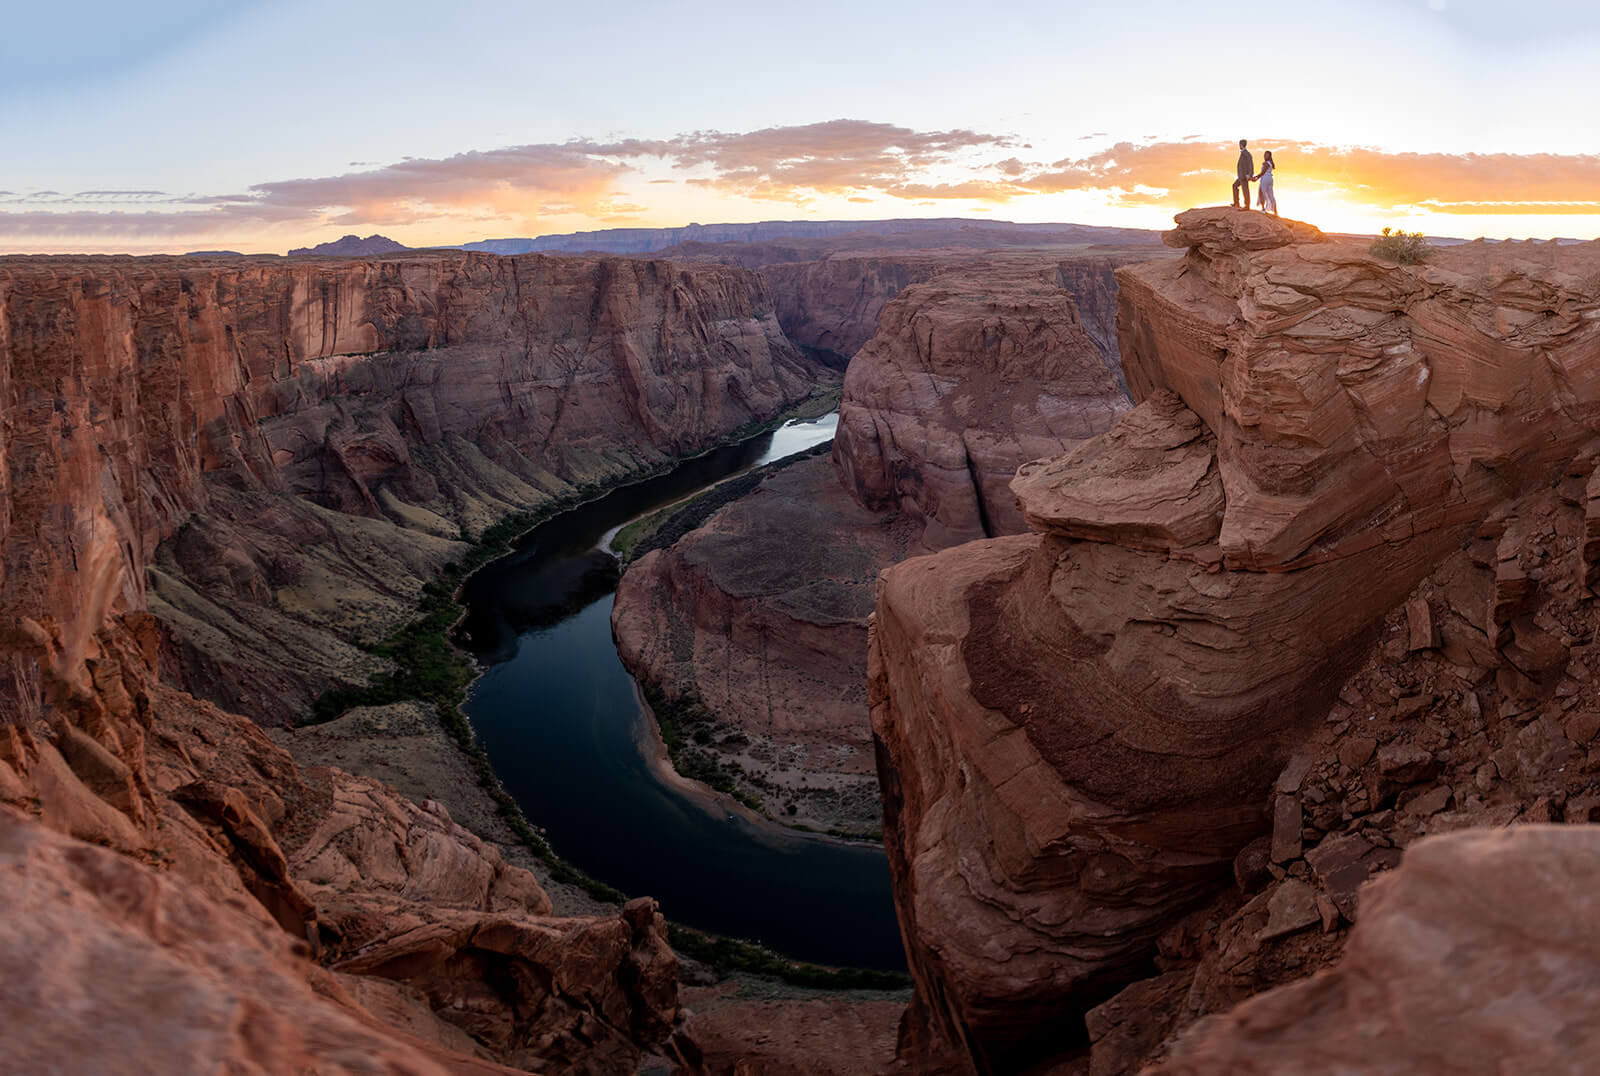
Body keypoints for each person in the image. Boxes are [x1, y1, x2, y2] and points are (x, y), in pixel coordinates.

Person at [1253, 151, 1277, 217]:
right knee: (1271, 195)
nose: (1265, 156)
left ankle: (1263, 209)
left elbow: (1262, 173)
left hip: (1265, 179)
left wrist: (1255, 178)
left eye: (1266, 155)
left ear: (1269, 156)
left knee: (1262, 193)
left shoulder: (1266, 163)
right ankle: (1275, 212)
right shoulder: (1271, 163)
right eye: (1264, 154)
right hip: (1270, 179)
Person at [1232, 139, 1254, 210]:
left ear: (1241, 144)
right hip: (1241, 175)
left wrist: (1249, 174)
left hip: (1244, 175)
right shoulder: (1243, 153)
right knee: (1234, 185)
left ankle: (1247, 206)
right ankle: (1236, 203)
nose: (1239, 146)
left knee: (1245, 190)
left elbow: (1250, 163)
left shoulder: (1246, 153)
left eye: (1240, 144)